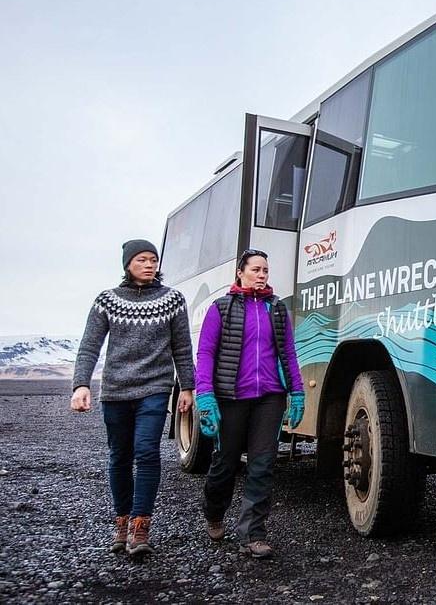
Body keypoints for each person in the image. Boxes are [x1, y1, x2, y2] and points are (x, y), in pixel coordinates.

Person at [70, 239, 195, 556]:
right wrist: (81, 384)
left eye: (153, 259)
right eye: (142, 259)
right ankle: (122, 522)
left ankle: (141, 528)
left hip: (155, 388)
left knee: (147, 452)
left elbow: (182, 348)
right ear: (128, 264)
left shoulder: (172, 300)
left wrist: (188, 388)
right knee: (119, 455)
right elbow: (89, 345)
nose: (149, 264)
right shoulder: (108, 301)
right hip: (115, 390)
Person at [195, 249, 304, 559]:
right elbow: (205, 354)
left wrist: (296, 392)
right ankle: (214, 511)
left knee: (262, 465)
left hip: (269, 398)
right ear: (240, 272)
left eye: (265, 270)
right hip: (231, 398)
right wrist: (205, 395)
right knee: (225, 464)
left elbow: (289, 354)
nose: (261, 274)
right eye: (255, 269)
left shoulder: (277, 310)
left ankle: (253, 534)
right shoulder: (222, 308)